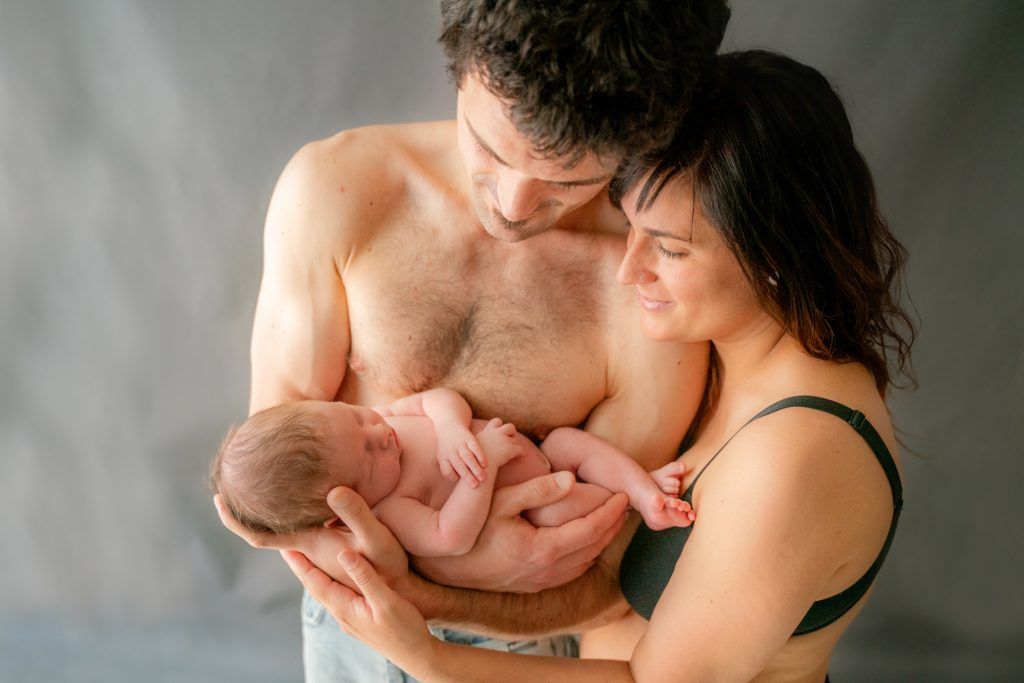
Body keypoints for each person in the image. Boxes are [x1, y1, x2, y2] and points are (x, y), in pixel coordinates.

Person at [263, 50, 916, 682]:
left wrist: (429, 650)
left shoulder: (799, 452)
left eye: (669, 248)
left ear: (769, 252)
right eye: (632, 228)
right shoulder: (737, 371)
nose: (629, 268)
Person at [215, 1, 730, 680]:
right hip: (348, 618)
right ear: (461, 72)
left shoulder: (645, 292)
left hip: (517, 651)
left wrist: (433, 598)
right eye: (488, 148)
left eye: (566, 181)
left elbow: (611, 578)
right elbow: (280, 486)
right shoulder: (338, 191)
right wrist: (414, 582)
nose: (512, 205)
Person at [211, 388, 694, 545]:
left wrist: (453, 431)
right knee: (556, 510)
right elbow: (451, 536)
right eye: (369, 456)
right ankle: (629, 502)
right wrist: (482, 464)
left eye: (356, 417)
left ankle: (643, 491)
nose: (381, 434)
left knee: (573, 443)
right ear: (346, 507)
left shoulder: (390, 419)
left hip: (542, 449)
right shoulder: (393, 509)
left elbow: (439, 399)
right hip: (537, 503)